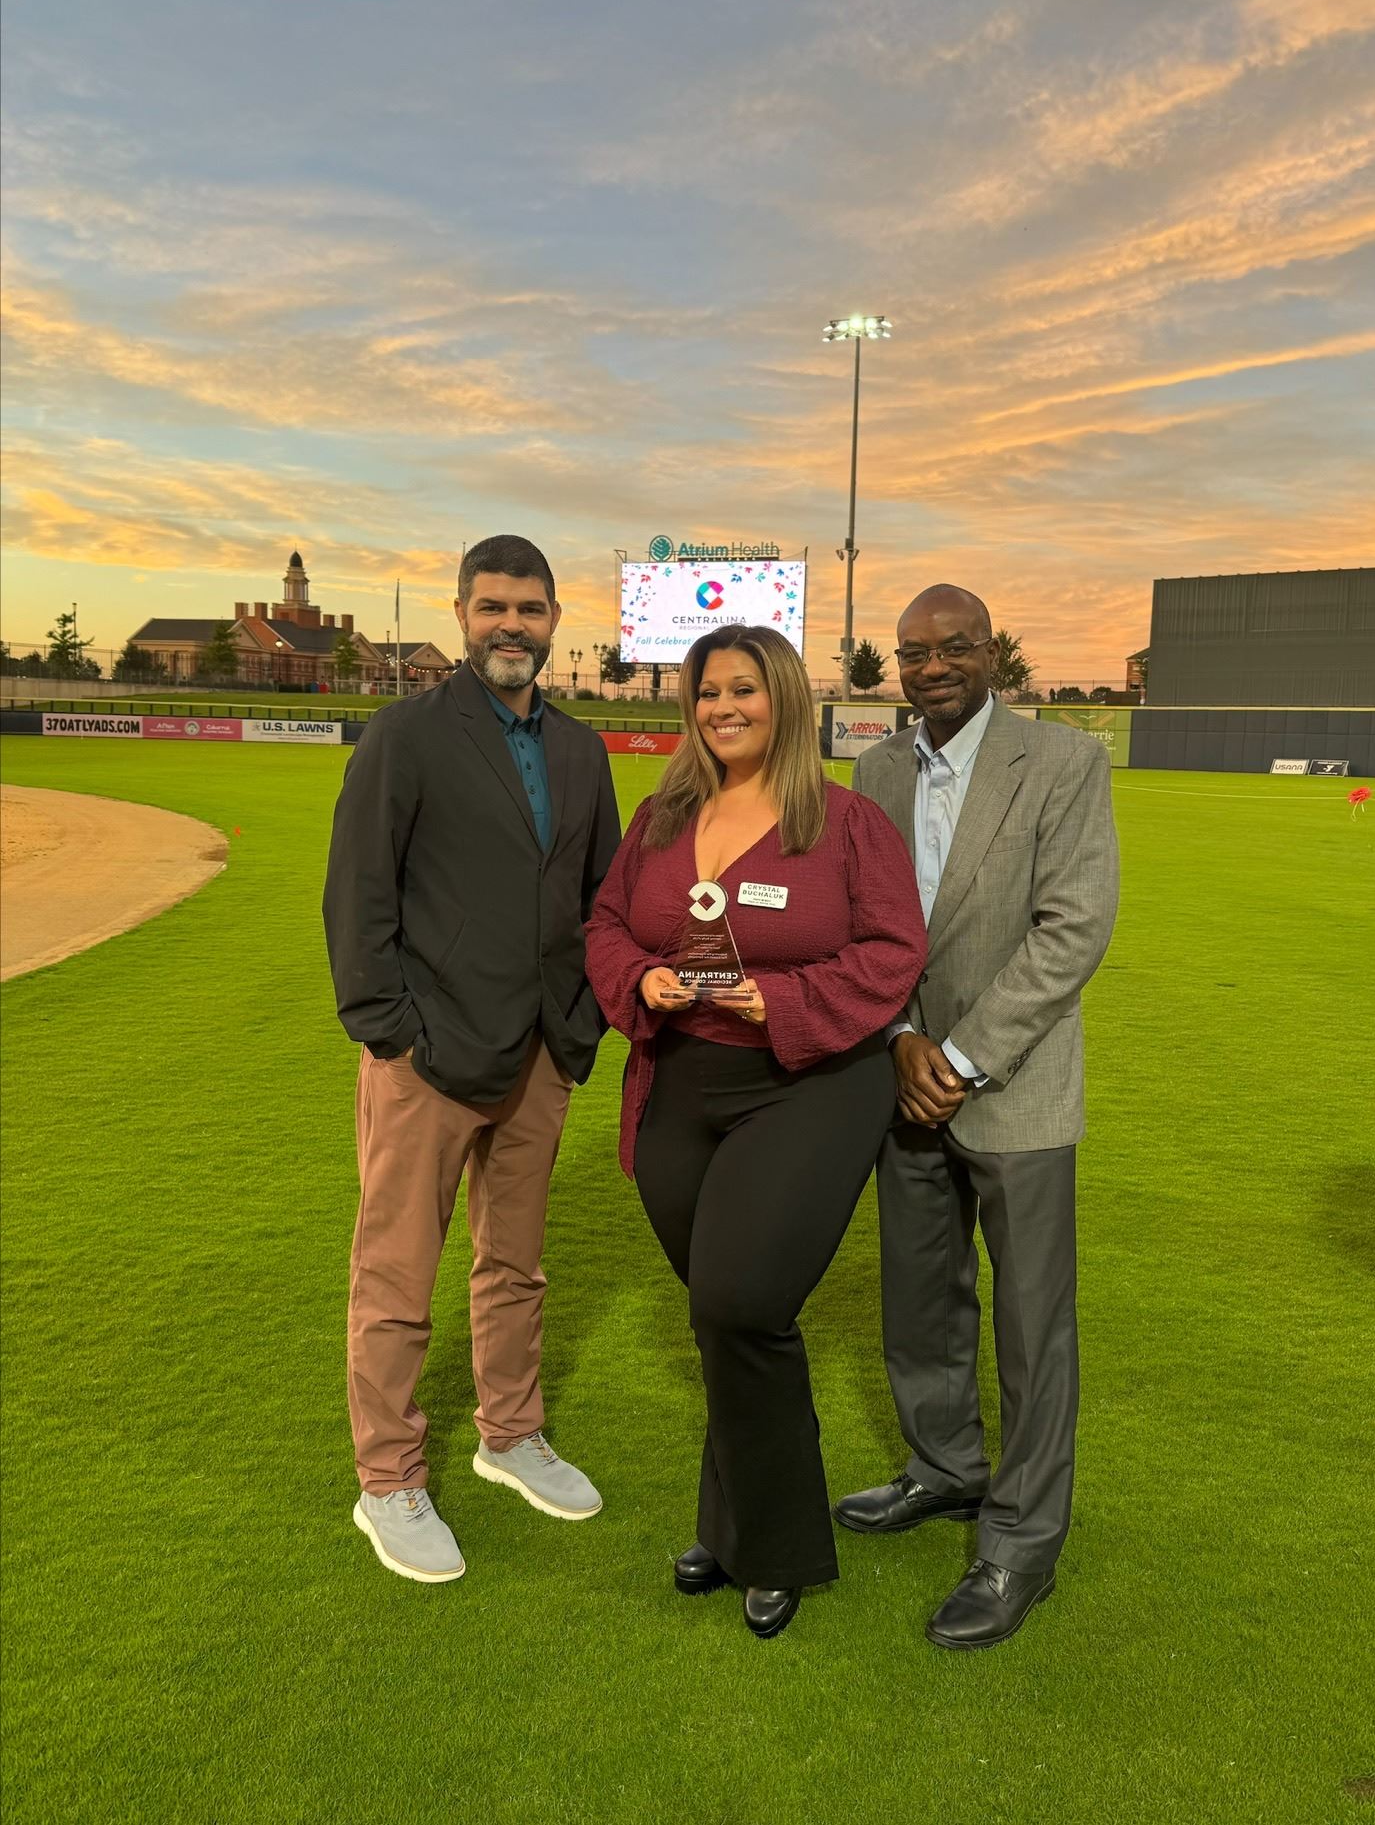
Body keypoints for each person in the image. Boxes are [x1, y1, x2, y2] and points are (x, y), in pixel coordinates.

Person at [585, 625, 926, 1639]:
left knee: (741, 1302)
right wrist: (641, 978)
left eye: (743, 688)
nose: (722, 707)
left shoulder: (846, 823)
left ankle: (775, 1548)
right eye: (706, 692)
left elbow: (892, 950)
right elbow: (605, 925)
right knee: (722, 1316)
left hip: (806, 1084)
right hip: (678, 1083)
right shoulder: (660, 818)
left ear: (782, 697)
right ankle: (731, 1522)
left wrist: (779, 999)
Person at [323, 534, 621, 1582]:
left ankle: (510, 1433)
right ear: (460, 615)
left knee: (515, 1265)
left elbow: (601, 897)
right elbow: (359, 892)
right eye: (492, 606)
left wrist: (580, 1023)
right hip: (428, 1057)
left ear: (554, 620)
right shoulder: (405, 734)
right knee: (396, 1276)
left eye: (529, 609)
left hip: (540, 1050)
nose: (511, 625)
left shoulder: (580, 749)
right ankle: (388, 1477)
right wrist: (391, 1032)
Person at [833, 585, 1119, 1649]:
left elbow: (1072, 928)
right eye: (913, 652)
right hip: (902, 1076)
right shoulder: (874, 771)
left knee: (1032, 1325)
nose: (933, 666)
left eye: (954, 647)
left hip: (1014, 1085)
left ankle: (1021, 1543)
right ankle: (946, 1465)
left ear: (992, 652)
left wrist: (956, 1056)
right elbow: (861, 927)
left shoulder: (1063, 762)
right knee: (919, 1299)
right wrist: (902, 1036)